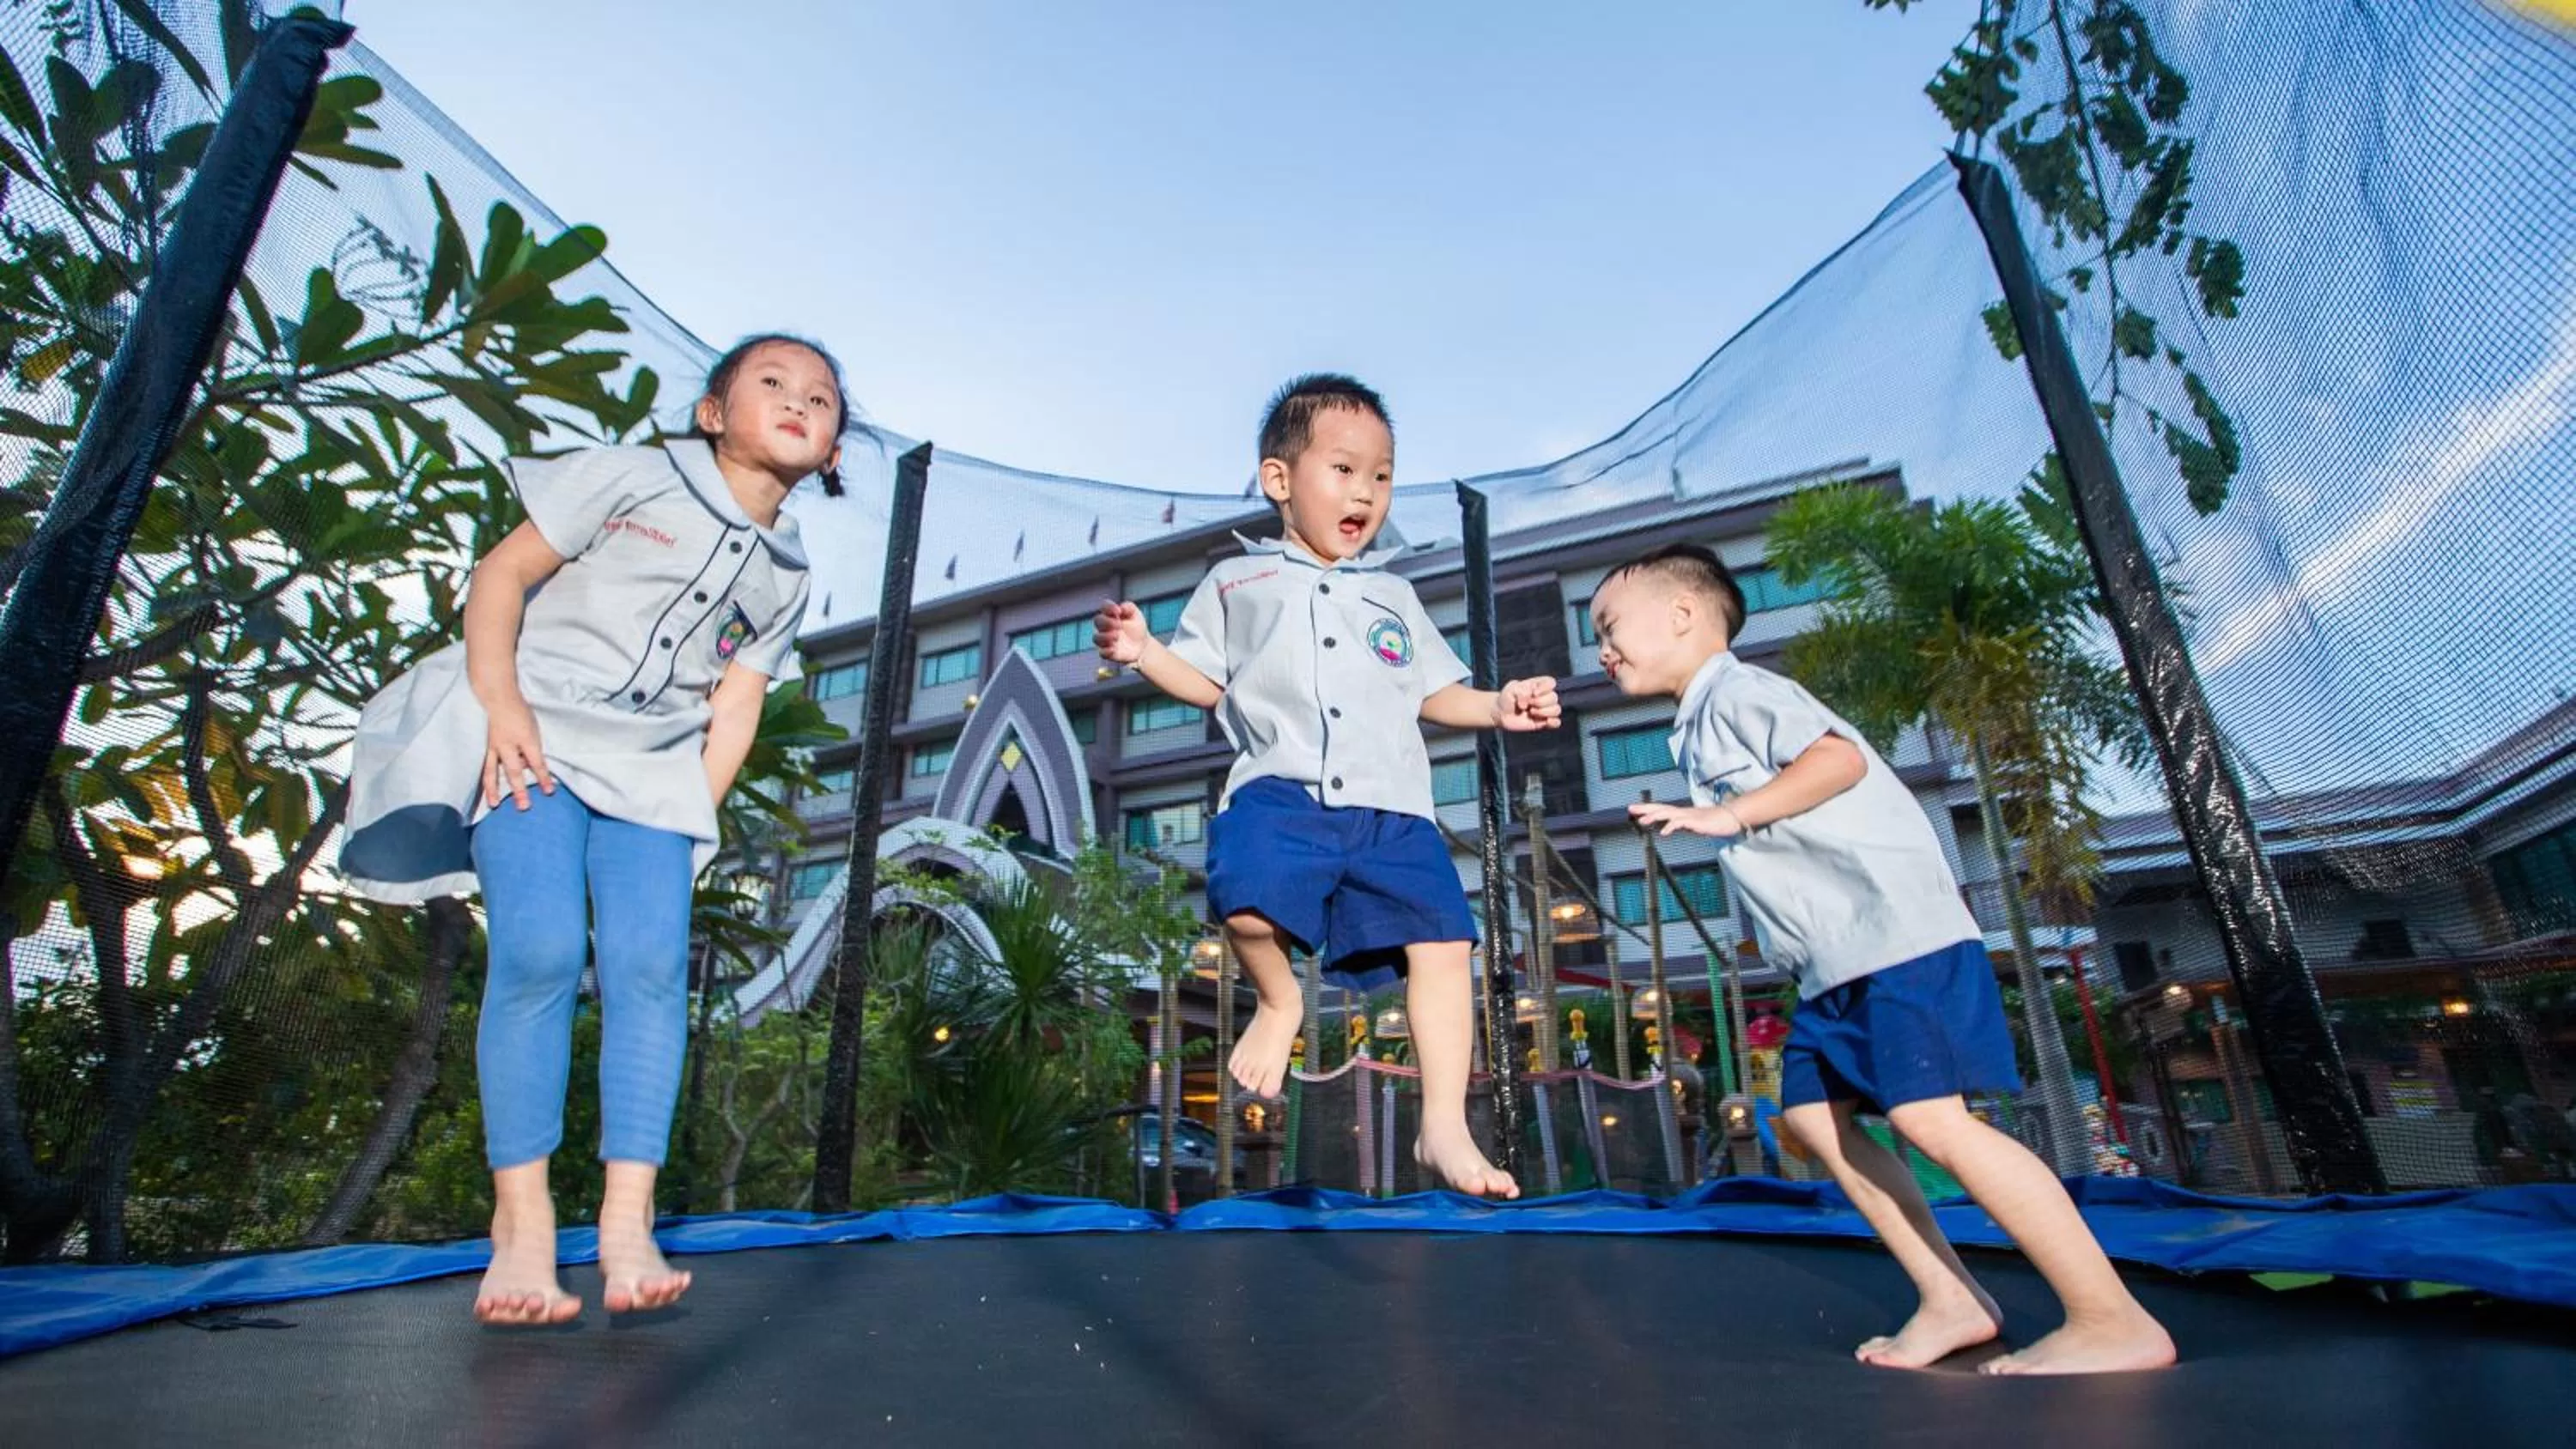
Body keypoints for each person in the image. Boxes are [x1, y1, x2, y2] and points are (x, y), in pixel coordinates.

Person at [341, 335, 844, 1325]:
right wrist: (504, 707)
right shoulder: (631, 476)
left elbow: (736, 705)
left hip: (653, 773)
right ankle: (521, 1227)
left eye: (821, 399)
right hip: (533, 732)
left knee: (650, 966)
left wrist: (686, 811)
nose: (798, 402)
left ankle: (625, 1222)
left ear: (832, 452)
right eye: (772, 384)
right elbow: (500, 577)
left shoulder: (786, 572)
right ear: (712, 413)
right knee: (537, 951)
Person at [1590, 543, 2173, 1374]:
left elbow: (1839, 760)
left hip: (1900, 938)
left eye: (1609, 625)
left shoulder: (1744, 690)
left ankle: (2110, 1315)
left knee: (1930, 1119)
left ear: (1683, 614)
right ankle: (1952, 1298)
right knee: (1812, 1118)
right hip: (1831, 963)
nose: (1601, 647)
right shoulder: (1695, 721)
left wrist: (1730, 815)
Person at [1094, 373, 1560, 1199]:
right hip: (1282, 790)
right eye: (1343, 470)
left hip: (1393, 808)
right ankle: (1280, 1004)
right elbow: (1207, 681)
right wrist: (1144, 653)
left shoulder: (1394, 594)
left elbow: (1430, 692)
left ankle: (1444, 1127)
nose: (1365, 492)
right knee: (1245, 906)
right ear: (1280, 481)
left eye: (1381, 476)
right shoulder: (1237, 585)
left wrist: (1497, 705)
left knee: (1446, 947)